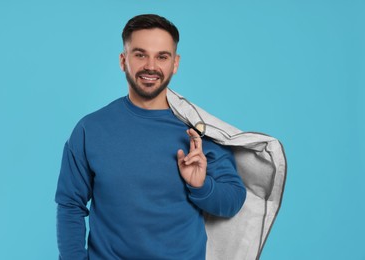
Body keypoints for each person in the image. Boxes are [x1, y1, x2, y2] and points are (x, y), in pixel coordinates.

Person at [55, 14, 246, 260]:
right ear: (123, 60)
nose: (151, 66)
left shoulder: (199, 131)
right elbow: (70, 205)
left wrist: (200, 185)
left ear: (175, 64)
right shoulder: (89, 129)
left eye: (162, 56)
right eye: (140, 54)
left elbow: (233, 201)